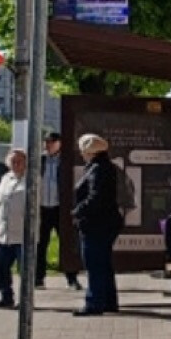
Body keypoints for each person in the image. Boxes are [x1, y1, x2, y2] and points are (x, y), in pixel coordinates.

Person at [72, 132, 124, 316]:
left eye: (83, 150)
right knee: (103, 262)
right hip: (106, 222)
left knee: (94, 263)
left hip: (96, 223)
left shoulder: (97, 169)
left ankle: (94, 302)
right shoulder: (105, 166)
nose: (81, 153)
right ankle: (108, 301)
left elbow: (96, 197)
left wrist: (78, 211)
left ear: (90, 151)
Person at [36, 131, 79, 289]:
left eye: (51, 142)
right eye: (46, 141)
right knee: (40, 244)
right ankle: (38, 278)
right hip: (42, 208)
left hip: (60, 208)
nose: (48, 145)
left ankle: (72, 278)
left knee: (66, 243)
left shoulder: (65, 160)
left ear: (59, 143)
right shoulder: (40, 160)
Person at [0, 148, 27, 310]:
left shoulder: (31, 180)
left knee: (24, 270)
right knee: (2, 267)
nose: (16, 164)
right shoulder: (5, 178)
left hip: (23, 233)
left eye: (19, 161)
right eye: (13, 161)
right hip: (4, 232)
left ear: (25, 163)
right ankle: (6, 297)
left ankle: (25, 300)